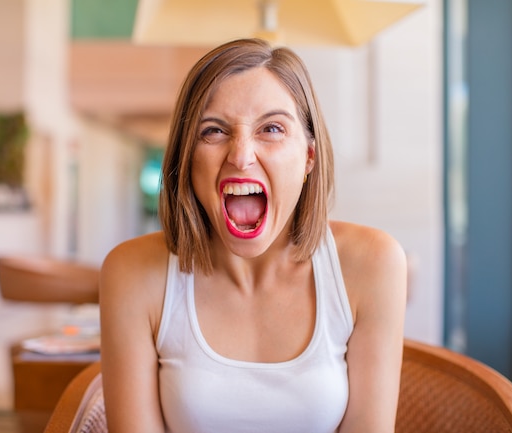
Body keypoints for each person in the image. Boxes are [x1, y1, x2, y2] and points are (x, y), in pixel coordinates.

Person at [99, 38, 407, 433]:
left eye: (272, 128)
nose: (241, 155)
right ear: (186, 157)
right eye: (213, 131)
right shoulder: (132, 274)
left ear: (309, 156)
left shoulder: (374, 265)